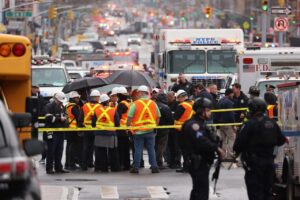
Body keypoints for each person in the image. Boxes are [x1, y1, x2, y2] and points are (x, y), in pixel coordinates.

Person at [233, 98, 286, 200]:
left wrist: (237, 152)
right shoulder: (272, 123)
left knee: (255, 192)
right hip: (269, 162)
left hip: (254, 164)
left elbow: (239, 143)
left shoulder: (249, 124)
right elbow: (281, 140)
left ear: (253, 109)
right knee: (267, 191)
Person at [182, 98, 225, 200]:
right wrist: (217, 148)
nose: (210, 112)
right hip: (197, 162)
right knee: (201, 193)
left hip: (203, 162)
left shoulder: (201, 123)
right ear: (201, 110)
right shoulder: (193, 125)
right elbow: (201, 141)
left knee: (198, 191)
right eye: (208, 110)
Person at [127, 85, 161, 174]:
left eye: (138, 92)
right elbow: (158, 116)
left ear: (141, 93)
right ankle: (154, 167)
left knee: (138, 149)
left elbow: (129, 117)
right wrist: (155, 125)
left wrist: (128, 127)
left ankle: (136, 168)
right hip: (150, 131)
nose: (137, 94)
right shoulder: (153, 103)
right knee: (151, 149)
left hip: (138, 131)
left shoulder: (135, 104)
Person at [93, 94, 120, 172]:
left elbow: (93, 124)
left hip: (99, 134)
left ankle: (103, 168)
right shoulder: (113, 110)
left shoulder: (97, 111)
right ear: (108, 101)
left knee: (101, 152)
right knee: (113, 152)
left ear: (101, 103)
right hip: (111, 134)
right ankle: (115, 168)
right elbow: (117, 123)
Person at [44, 92, 69, 174]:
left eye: (62, 101)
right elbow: (48, 118)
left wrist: (65, 118)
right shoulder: (49, 106)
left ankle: (59, 167)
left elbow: (65, 116)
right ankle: (49, 168)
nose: (61, 102)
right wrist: (59, 119)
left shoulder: (62, 106)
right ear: (55, 99)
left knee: (59, 150)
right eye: (59, 101)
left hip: (60, 131)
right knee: (51, 150)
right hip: (51, 131)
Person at [80, 90, 101, 170]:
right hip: (95, 129)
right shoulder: (99, 106)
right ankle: (91, 163)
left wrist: (80, 127)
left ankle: (84, 165)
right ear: (97, 97)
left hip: (86, 129)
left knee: (85, 147)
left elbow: (80, 117)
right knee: (94, 147)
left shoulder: (85, 106)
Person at [174, 89, 194, 173]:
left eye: (178, 98)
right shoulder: (192, 104)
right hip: (191, 129)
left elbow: (176, 117)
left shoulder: (182, 106)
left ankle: (186, 167)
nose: (177, 100)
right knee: (190, 149)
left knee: (184, 150)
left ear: (182, 97)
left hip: (182, 130)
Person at [215, 88, 236, 159]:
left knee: (223, 140)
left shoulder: (219, 101)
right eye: (232, 93)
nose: (233, 95)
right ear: (230, 94)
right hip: (228, 124)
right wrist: (233, 125)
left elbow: (216, 114)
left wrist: (217, 125)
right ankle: (230, 156)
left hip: (220, 124)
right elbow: (231, 114)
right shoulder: (229, 102)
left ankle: (222, 156)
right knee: (231, 138)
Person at [155, 93, 173, 169]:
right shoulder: (166, 107)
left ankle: (154, 162)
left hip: (154, 128)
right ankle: (159, 162)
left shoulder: (153, 105)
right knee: (161, 146)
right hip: (164, 129)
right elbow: (170, 119)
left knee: (155, 146)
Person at [65, 91, 82, 170]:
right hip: (74, 129)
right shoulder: (74, 106)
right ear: (74, 98)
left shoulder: (68, 105)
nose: (78, 99)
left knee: (69, 147)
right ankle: (71, 164)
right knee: (73, 148)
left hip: (69, 128)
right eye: (77, 98)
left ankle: (67, 164)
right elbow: (78, 117)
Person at [116, 87, 131, 171]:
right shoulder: (127, 103)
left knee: (121, 148)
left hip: (121, 129)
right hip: (126, 128)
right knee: (126, 148)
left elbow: (118, 116)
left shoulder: (121, 104)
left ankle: (122, 164)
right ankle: (127, 165)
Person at [166, 91, 181, 168]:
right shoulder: (167, 104)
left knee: (176, 146)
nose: (167, 98)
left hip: (176, 129)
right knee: (170, 146)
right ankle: (171, 161)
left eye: (168, 97)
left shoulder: (177, 105)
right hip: (170, 128)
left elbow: (176, 116)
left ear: (172, 97)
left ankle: (177, 162)